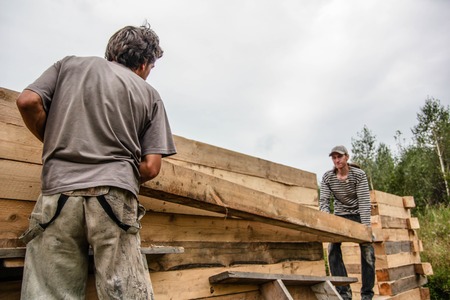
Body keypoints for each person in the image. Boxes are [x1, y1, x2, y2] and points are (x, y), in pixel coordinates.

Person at [16, 23, 176, 300]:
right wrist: (115, 169)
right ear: (143, 63)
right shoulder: (149, 94)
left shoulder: (68, 66)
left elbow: (27, 101)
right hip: (114, 198)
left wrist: (58, 142)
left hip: (57, 193)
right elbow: (151, 166)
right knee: (124, 292)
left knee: (49, 292)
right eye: (151, 67)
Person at [319, 145, 375, 300]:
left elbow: (364, 202)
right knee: (332, 249)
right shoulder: (327, 177)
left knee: (368, 251)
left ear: (347, 157)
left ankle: (367, 295)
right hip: (340, 216)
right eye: (334, 158)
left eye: (340, 157)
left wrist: (366, 229)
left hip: (358, 215)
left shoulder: (358, 175)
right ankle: (344, 294)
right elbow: (324, 201)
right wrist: (327, 223)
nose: (337, 160)